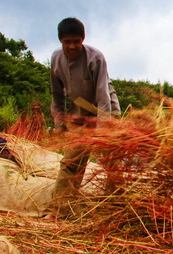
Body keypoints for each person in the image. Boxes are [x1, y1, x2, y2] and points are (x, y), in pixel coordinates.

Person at [46, 17, 120, 217]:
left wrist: (102, 131)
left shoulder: (95, 58)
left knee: (112, 159)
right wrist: (59, 124)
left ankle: (114, 205)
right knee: (72, 159)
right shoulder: (56, 59)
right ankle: (60, 209)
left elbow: (102, 94)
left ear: (83, 39)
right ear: (60, 41)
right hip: (80, 112)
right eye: (67, 42)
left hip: (106, 110)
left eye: (76, 41)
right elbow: (57, 94)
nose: (72, 46)